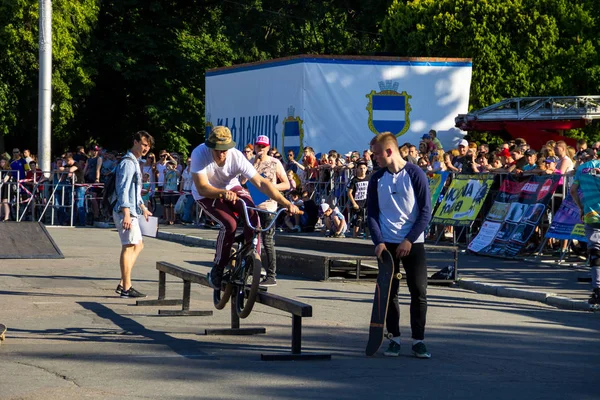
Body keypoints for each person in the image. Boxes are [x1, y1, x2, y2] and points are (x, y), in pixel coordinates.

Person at [191, 126, 299, 290]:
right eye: (217, 150)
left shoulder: (236, 156)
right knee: (230, 224)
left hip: (232, 187)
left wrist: (287, 203)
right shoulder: (200, 154)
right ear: (210, 147)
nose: (221, 155)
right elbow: (202, 187)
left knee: (253, 217)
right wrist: (222, 193)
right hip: (206, 193)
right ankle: (218, 268)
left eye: (224, 150)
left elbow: (262, 183)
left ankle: (250, 260)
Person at [367, 132, 432, 358]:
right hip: (388, 245)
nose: (373, 158)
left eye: (376, 154)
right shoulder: (376, 178)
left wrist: (409, 240)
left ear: (389, 151)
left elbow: (425, 212)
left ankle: (418, 340)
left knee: (418, 291)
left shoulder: (415, 174)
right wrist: (378, 242)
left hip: (413, 243)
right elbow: (372, 214)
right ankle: (393, 338)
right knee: (389, 293)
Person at [113, 131, 154, 298]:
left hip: (133, 209)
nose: (146, 148)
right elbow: (122, 189)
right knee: (129, 246)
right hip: (126, 211)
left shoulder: (136, 162)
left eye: (148, 146)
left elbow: (134, 190)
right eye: (143, 144)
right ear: (135, 142)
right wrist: (126, 214)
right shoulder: (128, 163)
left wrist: (143, 207)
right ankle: (126, 287)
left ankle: (124, 282)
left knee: (138, 245)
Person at [248, 135, 290, 286]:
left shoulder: (275, 163)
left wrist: (271, 187)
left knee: (267, 240)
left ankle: (272, 275)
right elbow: (241, 182)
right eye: (258, 146)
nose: (260, 149)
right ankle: (251, 268)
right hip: (252, 205)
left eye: (263, 146)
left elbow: (286, 184)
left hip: (269, 207)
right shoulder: (250, 163)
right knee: (250, 237)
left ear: (268, 147)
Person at [570, 156, 600, 305]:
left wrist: (581, 207)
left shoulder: (582, 168)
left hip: (591, 214)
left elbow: (573, 190)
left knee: (595, 252)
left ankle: (597, 291)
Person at [347, 160, 369, 238]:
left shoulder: (368, 178)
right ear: (357, 169)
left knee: (367, 220)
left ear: (366, 169)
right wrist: (354, 203)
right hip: (358, 202)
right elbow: (349, 192)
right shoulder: (355, 180)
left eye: (364, 168)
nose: (362, 170)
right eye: (360, 168)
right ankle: (355, 236)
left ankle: (366, 236)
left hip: (367, 201)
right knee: (358, 220)